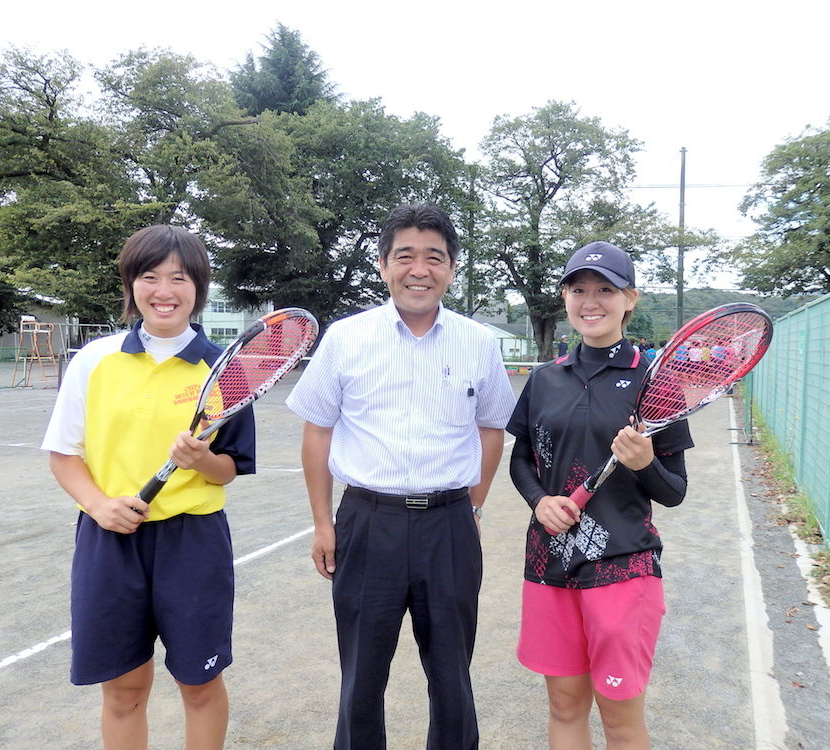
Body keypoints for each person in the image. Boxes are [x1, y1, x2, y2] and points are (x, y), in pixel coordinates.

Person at [286, 203, 516, 750]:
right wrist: (323, 523)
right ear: (383, 265)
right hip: (367, 523)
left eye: (434, 257)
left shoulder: (479, 343)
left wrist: (474, 507)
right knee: (362, 676)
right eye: (405, 256)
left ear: (451, 268)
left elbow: (491, 430)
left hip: (449, 524)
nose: (420, 269)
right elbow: (317, 433)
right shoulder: (346, 338)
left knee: (453, 675)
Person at [41, 225, 256, 750]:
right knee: (123, 689)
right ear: (131, 284)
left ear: (198, 288)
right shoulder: (95, 359)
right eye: (150, 276)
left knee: (199, 683)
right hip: (110, 539)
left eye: (179, 278)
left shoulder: (225, 371)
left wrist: (204, 460)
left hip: (194, 542)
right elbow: (64, 454)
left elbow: (230, 468)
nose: (165, 290)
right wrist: (98, 505)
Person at [506, 241, 694, 750]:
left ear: (629, 298)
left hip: (623, 566)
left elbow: (674, 491)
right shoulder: (545, 379)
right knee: (565, 707)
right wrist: (539, 502)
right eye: (578, 289)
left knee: (619, 718)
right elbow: (522, 459)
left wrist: (645, 463)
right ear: (565, 297)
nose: (591, 301)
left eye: (605, 290)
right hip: (549, 564)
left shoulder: (656, 382)